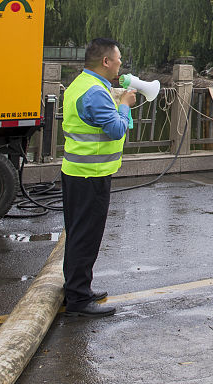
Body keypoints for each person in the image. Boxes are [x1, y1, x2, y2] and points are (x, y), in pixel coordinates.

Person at [61, 38, 136, 317]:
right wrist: (126, 104)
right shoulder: (94, 91)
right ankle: (79, 299)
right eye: (118, 59)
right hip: (90, 175)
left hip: (77, 171)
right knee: (86, 236)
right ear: (106, 61)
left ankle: (77, 287)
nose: (120, 64)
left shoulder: (82, 83)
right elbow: (117, 130)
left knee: (78, 233)